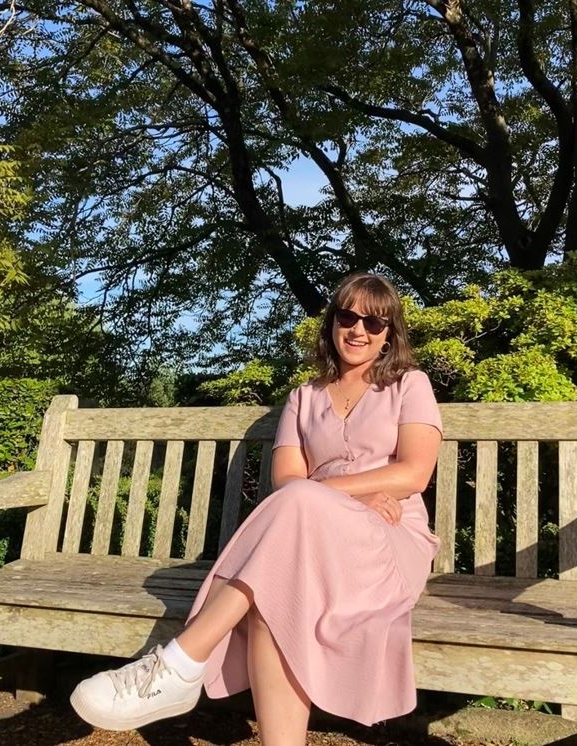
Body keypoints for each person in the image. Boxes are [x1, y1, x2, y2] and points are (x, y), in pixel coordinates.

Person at [70, 272, 443, 745]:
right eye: (348, 317)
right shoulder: (303, 398)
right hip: (309, 537)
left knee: (301, 506)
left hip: (388, 541)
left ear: (390, 334)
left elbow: (413, 474)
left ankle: (181, 663)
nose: (359, 330)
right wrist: (349, 496)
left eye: (375, 322)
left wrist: (332, 493)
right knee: (276, 590)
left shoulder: (410, 385)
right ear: (332, 323)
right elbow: (286, 479)